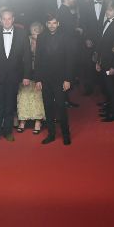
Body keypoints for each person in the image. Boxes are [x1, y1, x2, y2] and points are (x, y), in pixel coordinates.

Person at [0, 8, 32, 144]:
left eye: (9, 18)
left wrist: (27, 75)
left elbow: (27, 56)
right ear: (0, 19)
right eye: (4, 19)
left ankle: (8, 131)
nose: (6, 21)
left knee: (10, 105)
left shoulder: (22, 33)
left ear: (13, 19)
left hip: (14, 75)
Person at [35, 14, 74, 145]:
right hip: (45, 78)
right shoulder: (41, 37)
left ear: (58, 24)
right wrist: (38, 79)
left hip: (60, 79)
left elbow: (69, 59)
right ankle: (51, 134)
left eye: (54, 23)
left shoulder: (65, 37)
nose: (52, 25)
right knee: (48, 106)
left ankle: (66, 134)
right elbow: (38, 59)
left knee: (61, 106)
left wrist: (68, 79)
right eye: (49, 23)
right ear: (46, 24)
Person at [17, 22, 46, 134]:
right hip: (25, 72)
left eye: (37, 31)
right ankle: (22, 120)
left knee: (37, 96)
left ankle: (38, 121)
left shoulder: (43, 42)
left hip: (39, 72)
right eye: (33, 31)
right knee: (23, 96)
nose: (35, 33)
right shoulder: (26, 40)